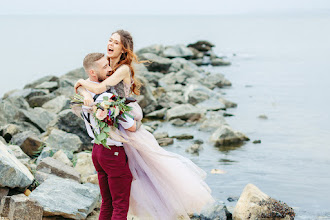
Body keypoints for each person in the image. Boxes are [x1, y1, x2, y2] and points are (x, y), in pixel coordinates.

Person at [75, 30, 215, 220]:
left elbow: (98, 88)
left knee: (150, 171)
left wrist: (81, 84)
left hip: (120, 126)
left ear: (124, 49)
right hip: (118, 134)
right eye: (110, 40)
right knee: (119, 201)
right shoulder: (106, 69)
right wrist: (83, 91)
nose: (110, 44)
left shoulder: (121, 69)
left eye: (116, 42)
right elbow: (97, 88)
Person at [77, 52, 137, 220]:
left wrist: (84, 90)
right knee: (120, 205)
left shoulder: (85, 92)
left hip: (97, 150)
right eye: (105, 67)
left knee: (107, 202)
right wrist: (137, 122)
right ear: (92, 72)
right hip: (112, 153)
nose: (110, 69)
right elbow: (130, 126)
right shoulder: (107, 98)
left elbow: (79, 86)